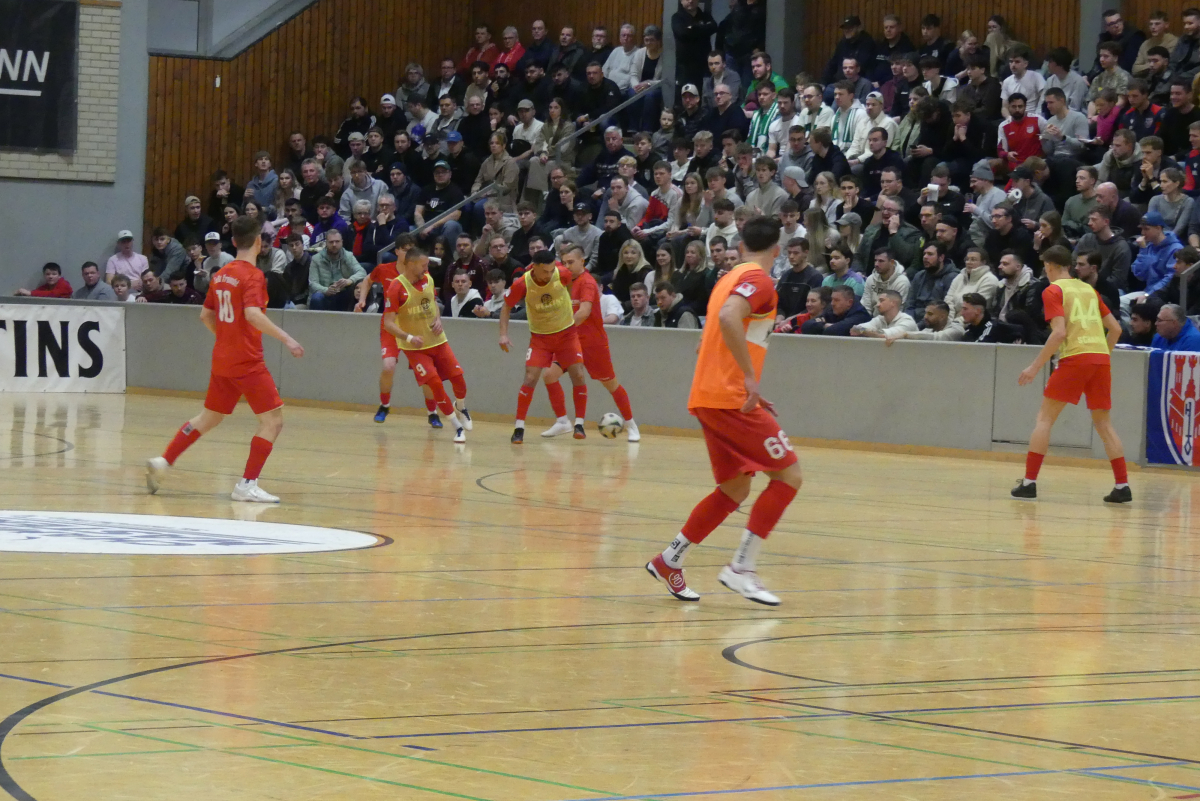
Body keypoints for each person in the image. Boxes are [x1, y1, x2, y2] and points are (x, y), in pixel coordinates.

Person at [645, 214, 800, 605]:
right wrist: (748, 378)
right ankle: (741, 568)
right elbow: (729, 319)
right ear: (778, 250)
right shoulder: (760, 282)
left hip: (708, 395)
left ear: (741, 246)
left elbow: (708, 338)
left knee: (735, 488)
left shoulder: (727, 279)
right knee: (789, 476)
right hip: (730, 398)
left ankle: (669, 559)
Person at [145, 216, 304, 503]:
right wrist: (287, 339)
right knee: (273, 421)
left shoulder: (220, 275)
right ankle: (247, 484)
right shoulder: (253, 275)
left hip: (222, 359)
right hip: (247, 361)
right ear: (258, 241)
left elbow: (205, 315)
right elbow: (253, 315)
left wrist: (227, 337)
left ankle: (164, 461)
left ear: (233, 241)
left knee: (210, 417)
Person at [1011, 245, 1130, 503]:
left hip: (1075, 357)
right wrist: (1101, 355)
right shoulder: (1089, 290)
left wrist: (1034, 367)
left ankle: (1029, 483)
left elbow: (1059, 333)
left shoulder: (1053, 290)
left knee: (1044, 419)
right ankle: (1122, 485)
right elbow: (1116, 329)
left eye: (1045, 267)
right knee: (1104, 424)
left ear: (1050, 266)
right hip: (1100, 358)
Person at [536, 244, 641, 441]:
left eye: (571, 262)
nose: (567, 266)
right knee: (549, 375)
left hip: (593, 343)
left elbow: (583, 312)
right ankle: (562, 422)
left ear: (582, 261)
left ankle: (631, 424)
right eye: (564, 262)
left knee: (610, 384)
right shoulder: (563, 281)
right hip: (569, 343)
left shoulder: (588, 283)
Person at [382, 248, 472, 441]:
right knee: (435, 384)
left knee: (459, 380)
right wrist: (408, 338)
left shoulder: (428, 279)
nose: (426, 268)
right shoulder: (396, 287)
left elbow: (432, 305)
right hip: (415, 348)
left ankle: (461, 407)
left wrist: (438, 319)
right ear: (411, 264)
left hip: (438, 341)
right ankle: (457, 428)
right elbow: (388, 323)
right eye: (423, 265)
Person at [499, 250, 588, 443]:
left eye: (551, 270)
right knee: (530, 378)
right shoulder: (522, 284)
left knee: (578, 374)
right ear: (534, 268)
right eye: (545, 271)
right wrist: (503, 334)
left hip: (566, 333)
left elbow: (570, 284)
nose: (549, 274)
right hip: (540, 338)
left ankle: (579, 424)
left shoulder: (562, 273)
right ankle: (519, 427)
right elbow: (506, 307)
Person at [851, 289, 919, 337]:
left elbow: (883, 335)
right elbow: (856, 328)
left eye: (881, 301)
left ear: (893, 303)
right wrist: (864, 331)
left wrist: (864, 331)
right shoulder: (879, 319)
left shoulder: (907, 321)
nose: (877, 305)